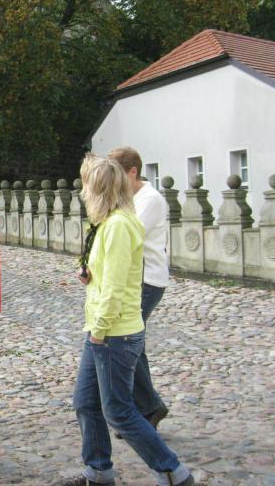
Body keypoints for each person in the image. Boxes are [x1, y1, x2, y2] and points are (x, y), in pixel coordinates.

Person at [60, 154, 193, 486]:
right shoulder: (108, 222)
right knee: (85, 402)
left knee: (118, 411)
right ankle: (98, 471)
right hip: (102, 329)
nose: (82, 191)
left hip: (114, 333)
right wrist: (89, 274)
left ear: (99, 189)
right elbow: (107, 273)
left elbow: (117, 287)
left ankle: (174, 473)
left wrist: (100, 331)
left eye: (86, 184)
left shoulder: (119, 225)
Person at [108, 146, 170, 429]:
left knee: (127, 342)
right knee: (132, 342)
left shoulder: (150, 199)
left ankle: (147, 407)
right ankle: (147, 407)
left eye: (118, 174)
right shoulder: (127, 197)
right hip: (133, 278)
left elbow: (129, 235)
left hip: (147, 280)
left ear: (133, 172)